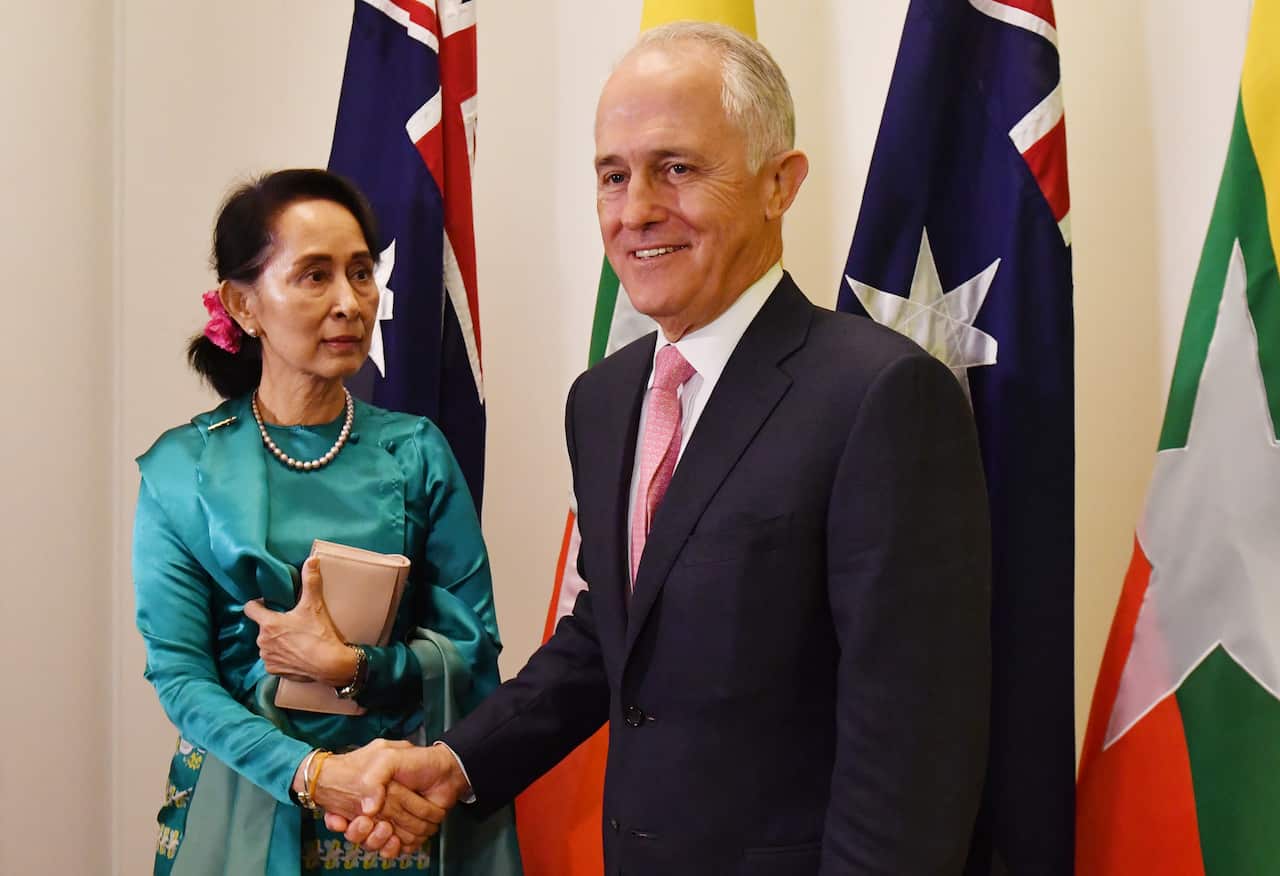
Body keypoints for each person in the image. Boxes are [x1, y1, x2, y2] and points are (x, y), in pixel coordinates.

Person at [337, 21, 992, 874]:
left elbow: (913, 746)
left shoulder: (882, 395)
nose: (637, 209)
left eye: (677, 168)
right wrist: (457, 763)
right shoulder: (604, 401)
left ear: (778, 184)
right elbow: (612, 635)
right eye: (614, 176)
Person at [132, 169, 520, 874]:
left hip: (399, 810)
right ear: (242, 305)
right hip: (243, 803)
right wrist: (311, 773)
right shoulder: (182, 471)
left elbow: (473, 647)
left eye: (362, 273)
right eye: (315, 276)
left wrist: (354, 669)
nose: (350, 301)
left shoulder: (415, 452)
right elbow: (181, 676)